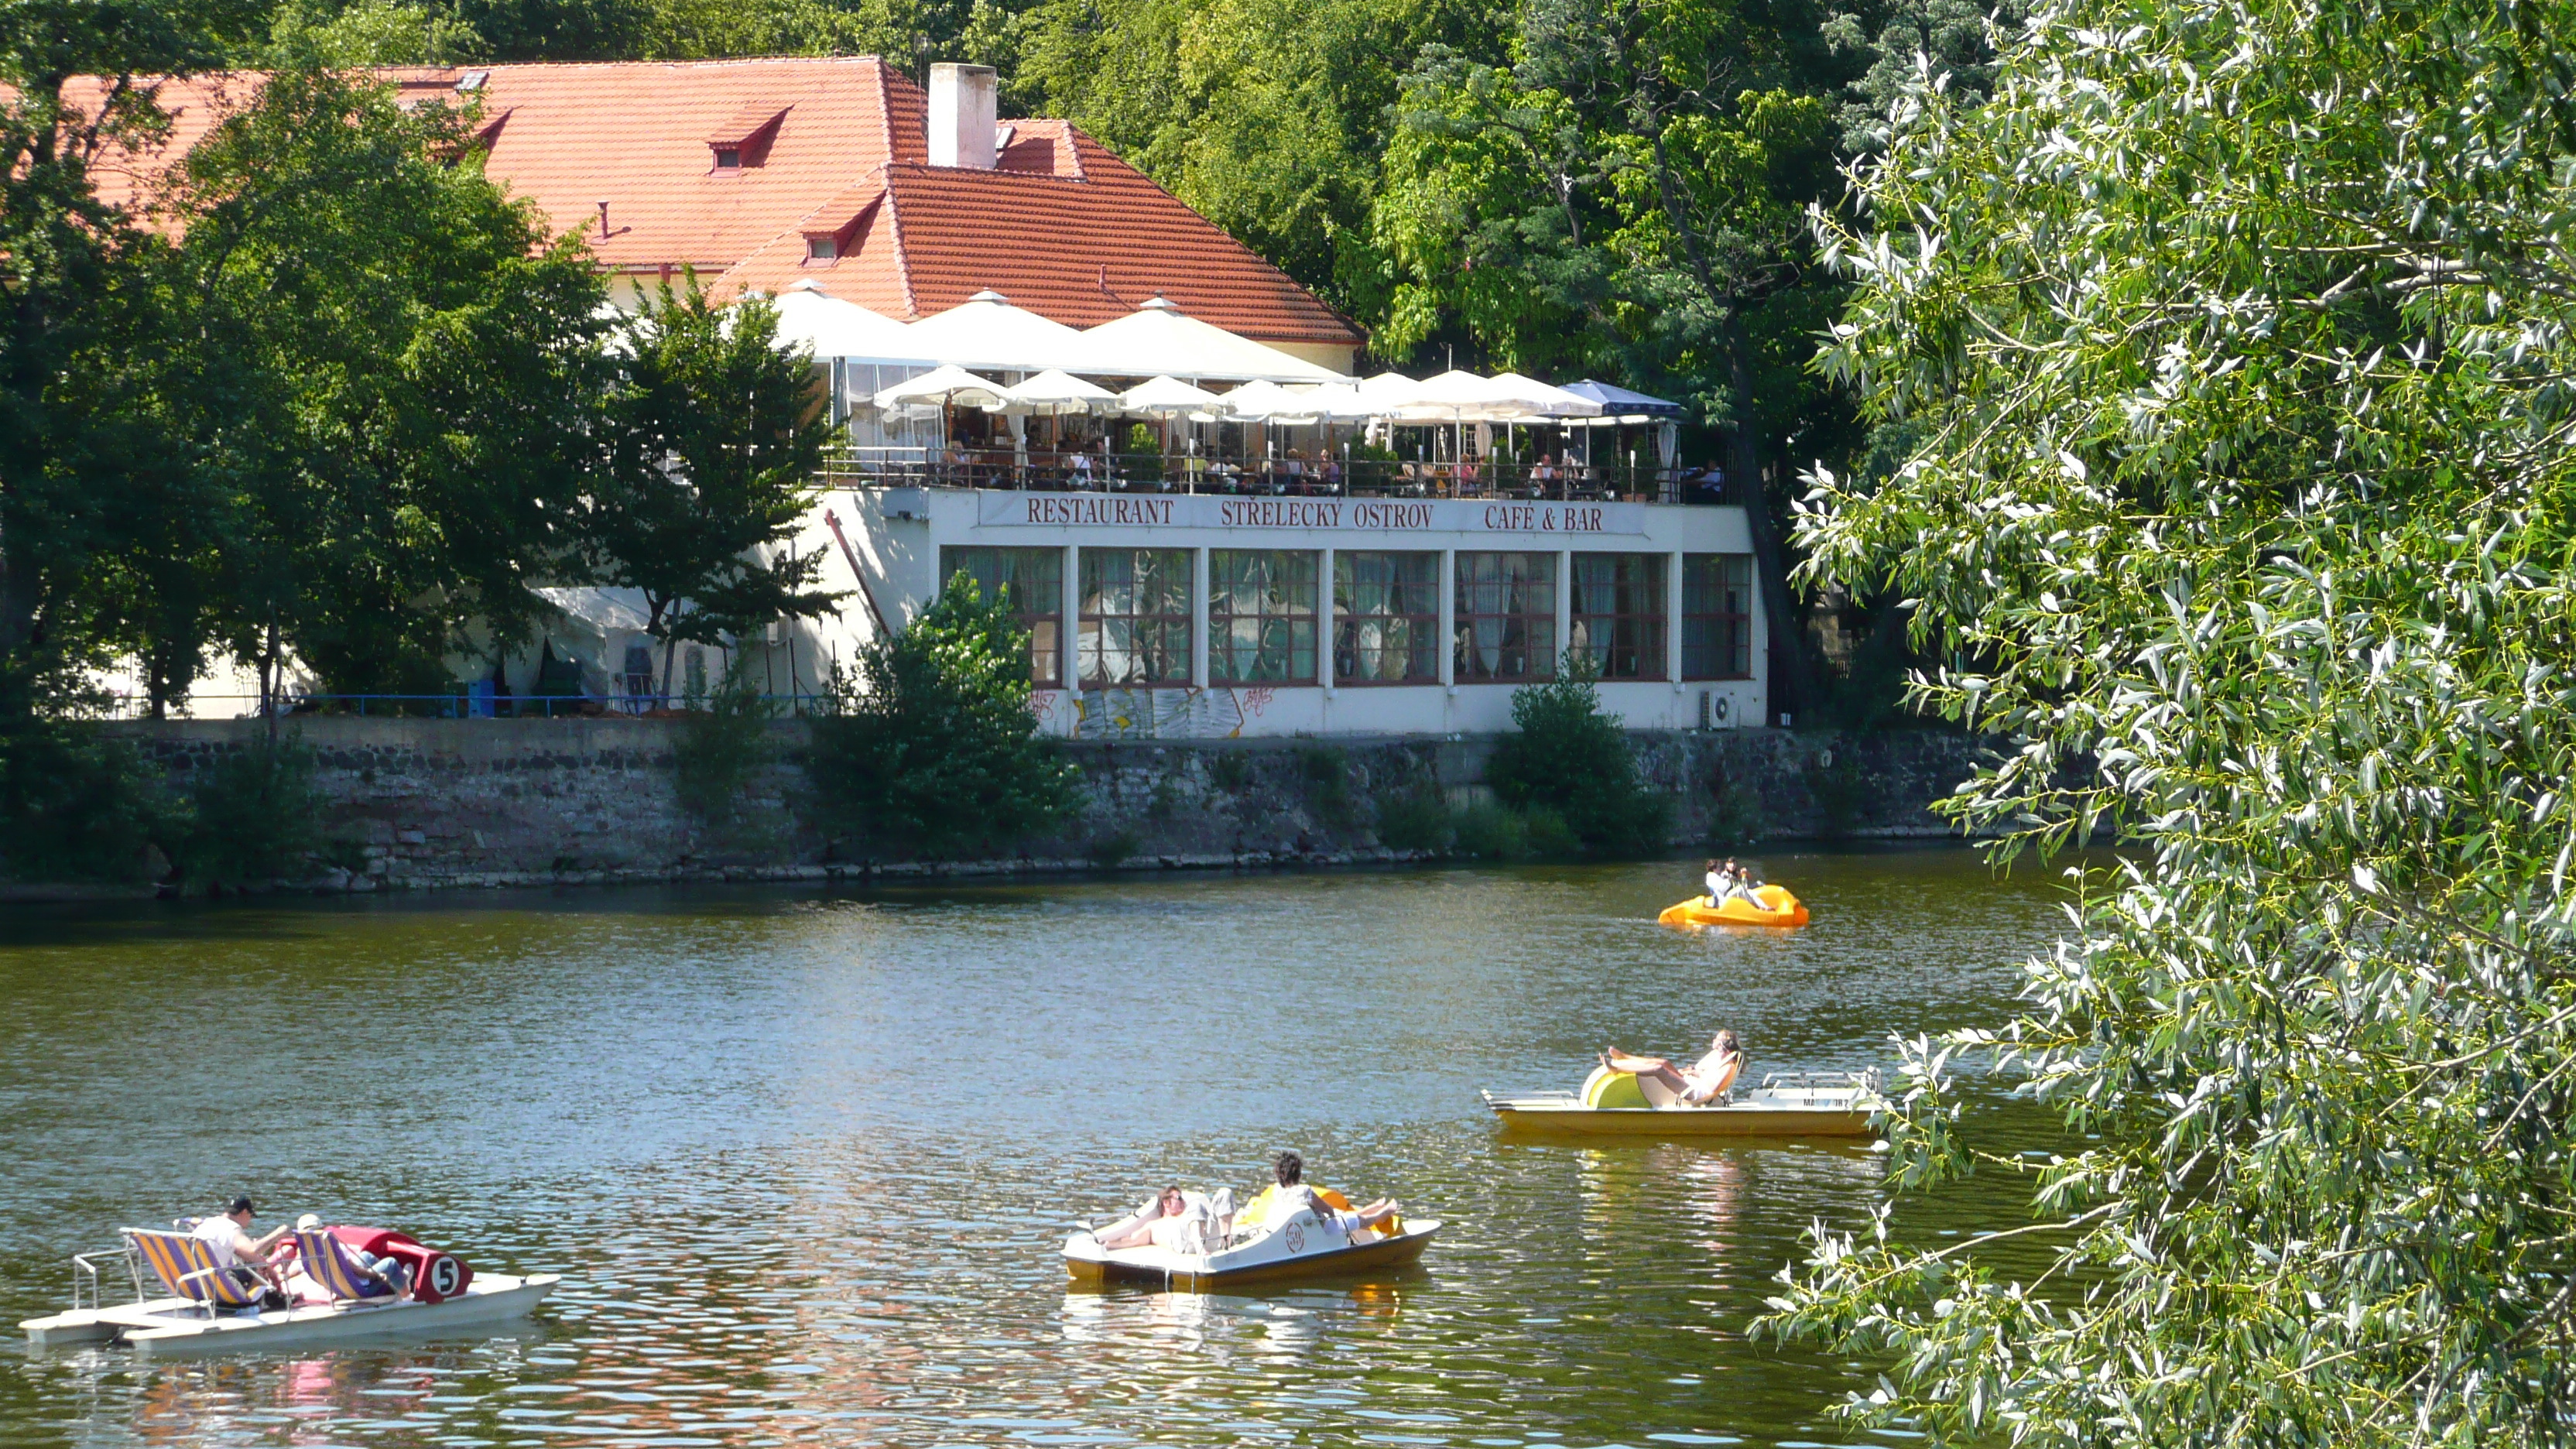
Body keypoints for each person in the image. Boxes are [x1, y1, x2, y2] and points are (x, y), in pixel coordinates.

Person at [1259, 1151, 1399, 1237]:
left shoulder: (1276, 1191)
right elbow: (1330, 1211)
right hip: (1321, 1230)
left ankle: (1369, 1209)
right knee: (1354, 1220)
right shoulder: (1305, 1191)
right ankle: (1379, 1215)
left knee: (1344, 1216)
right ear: (1298, 1174)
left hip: (1300, 1227)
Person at [1598, 1029, 1745, 1106]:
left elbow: (1712, 1089)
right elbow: (1702, 1071)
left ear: (1722, 1045)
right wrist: (1691, 1072)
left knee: (1658, 1070)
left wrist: (1695, 1074)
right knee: (1664, 1063)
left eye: (1717, 1039)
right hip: (1691, 1083)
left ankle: (1619, 1069)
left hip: (1695, 1092)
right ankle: (1625, 1057)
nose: (1713, 1040)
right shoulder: (1716, 1056)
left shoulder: (1728, 1067)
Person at [192, 1196, 290, 1302]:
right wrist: (278, 1234)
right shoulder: (232, 1228)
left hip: (193, 1283)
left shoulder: (207, 1223)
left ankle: (269, 1296)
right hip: (215, 1284)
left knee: (254, 1267)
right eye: (251, 1216)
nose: (249, 1221)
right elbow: (253, 1250)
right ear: (244, 1212)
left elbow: (250, 1256)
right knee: (257, 1271)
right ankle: (252, 1302)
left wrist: (272, 1273)